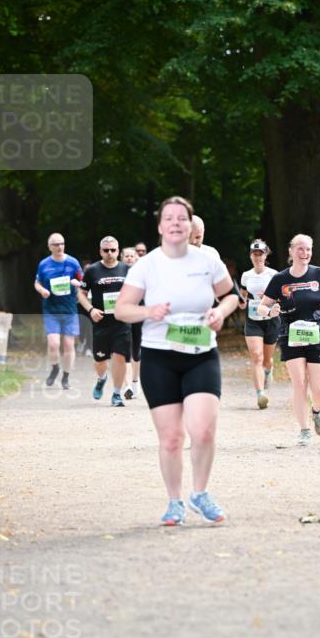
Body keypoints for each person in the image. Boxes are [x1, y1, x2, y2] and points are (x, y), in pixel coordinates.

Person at [115, 196, 238, 525]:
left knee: (204, 431)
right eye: (168, 218)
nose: (175, 223)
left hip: (201, 354)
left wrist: (220, 312)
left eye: (181, 218)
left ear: (190, 224)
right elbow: (121, 309)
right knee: (171, 438)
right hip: (159, 358)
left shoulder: (207, 260)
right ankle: (174, 502)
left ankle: (200, 493)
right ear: (160, 226)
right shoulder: (147, 265)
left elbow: (231, 296)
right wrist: (147, 311)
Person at [258, 233, 320, 446]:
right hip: (291, 335)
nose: (304, 253)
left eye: (308, 249)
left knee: (318, 388)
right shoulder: (280, 279)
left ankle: (317, 410)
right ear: (291, 251)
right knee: (299, 383)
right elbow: (262, 306)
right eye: (300, 249)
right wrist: (270, 312)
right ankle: (304, 430)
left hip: (317, 333)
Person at [76, 237, 131, 407]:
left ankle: (116, 394)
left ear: (118, 251)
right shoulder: (93, 270)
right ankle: (102, 379)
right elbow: (81, 294)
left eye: (113, 250)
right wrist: (91, 310)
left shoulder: (126, 269)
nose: (109, 253)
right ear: (100, 251)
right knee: (100, 361)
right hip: (101, 323)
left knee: (120, 357)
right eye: (106, 250)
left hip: (122, 322)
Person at [34, 233, 83, 389]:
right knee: (54, 343)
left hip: (69, 309)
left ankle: (66, 376)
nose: (59, 247)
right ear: (49, 247)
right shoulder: (44, 264)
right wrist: (42, 290)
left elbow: (82, 280)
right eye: (55, 244)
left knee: (69, 345)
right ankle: (55, 368)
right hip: (51, 309)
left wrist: (77, 282)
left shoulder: (73, 262)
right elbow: (37, 283)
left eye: (61, 243)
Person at [240, 240, 280, 408]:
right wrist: (241, 302)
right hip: (253, 320)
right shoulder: (246, 275)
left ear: (266, 255)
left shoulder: (274, 275)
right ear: (250, 256)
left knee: (267, 360)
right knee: (257, 356)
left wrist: (270, 298)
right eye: (254, 254)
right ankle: (260, 395)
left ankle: (269, 371)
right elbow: (243, 295)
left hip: (271, 320)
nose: (257, 257)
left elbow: (282, 297)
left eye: (260, 253)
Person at [120, 247, 142, 398]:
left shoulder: (142, 273)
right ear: (122, 258)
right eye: (126, 256)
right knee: (125, 350)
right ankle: (127, 385)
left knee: (136, 351)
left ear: (136, 258)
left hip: (139, 314)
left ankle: (135, 380)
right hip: (123, 315)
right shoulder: (117, 272)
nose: (129, 258)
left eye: (131, 256)